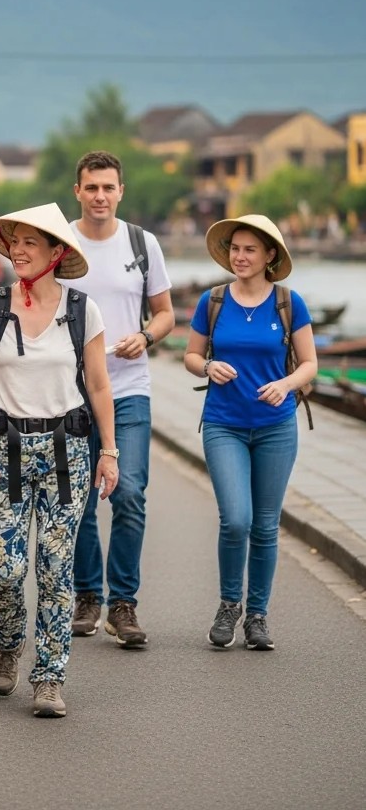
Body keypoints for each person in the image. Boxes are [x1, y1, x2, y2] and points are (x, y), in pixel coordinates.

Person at [0, 203, 116, 718]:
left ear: (56, 252)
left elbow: (98, 384)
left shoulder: (82, 310)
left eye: (31, 242)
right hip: (3, 450)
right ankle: (9, 644)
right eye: (14, 242)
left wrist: (109, 451)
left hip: (66, 453)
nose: (19, 251)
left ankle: (49, 677)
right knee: (6, 569)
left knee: (56, 568)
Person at [184, 215, 317, 651]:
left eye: (249, 250)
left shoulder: (288, 302)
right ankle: (229, 605)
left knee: (265, 526)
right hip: (224, 424)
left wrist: (285, 384)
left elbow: (310, 364)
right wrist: (206, 365)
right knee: (236, 519)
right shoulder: (213, 300)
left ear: (270, 256)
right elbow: (190, 355)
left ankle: (257, 616)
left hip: (276, 428)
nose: (239, 257)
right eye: (235, 249)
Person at [67, 151, 175, 647]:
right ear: (78, 191)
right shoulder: (62, 244)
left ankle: (123, 604)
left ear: (121, 191)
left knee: (128, 491)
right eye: (92, 188)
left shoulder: (142, 242)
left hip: (129, 387)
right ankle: (87, 595)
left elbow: (166, 314)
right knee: (81, 501)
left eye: (108, 188)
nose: (100, 197)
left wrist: (146, 337)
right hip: (71, 393)